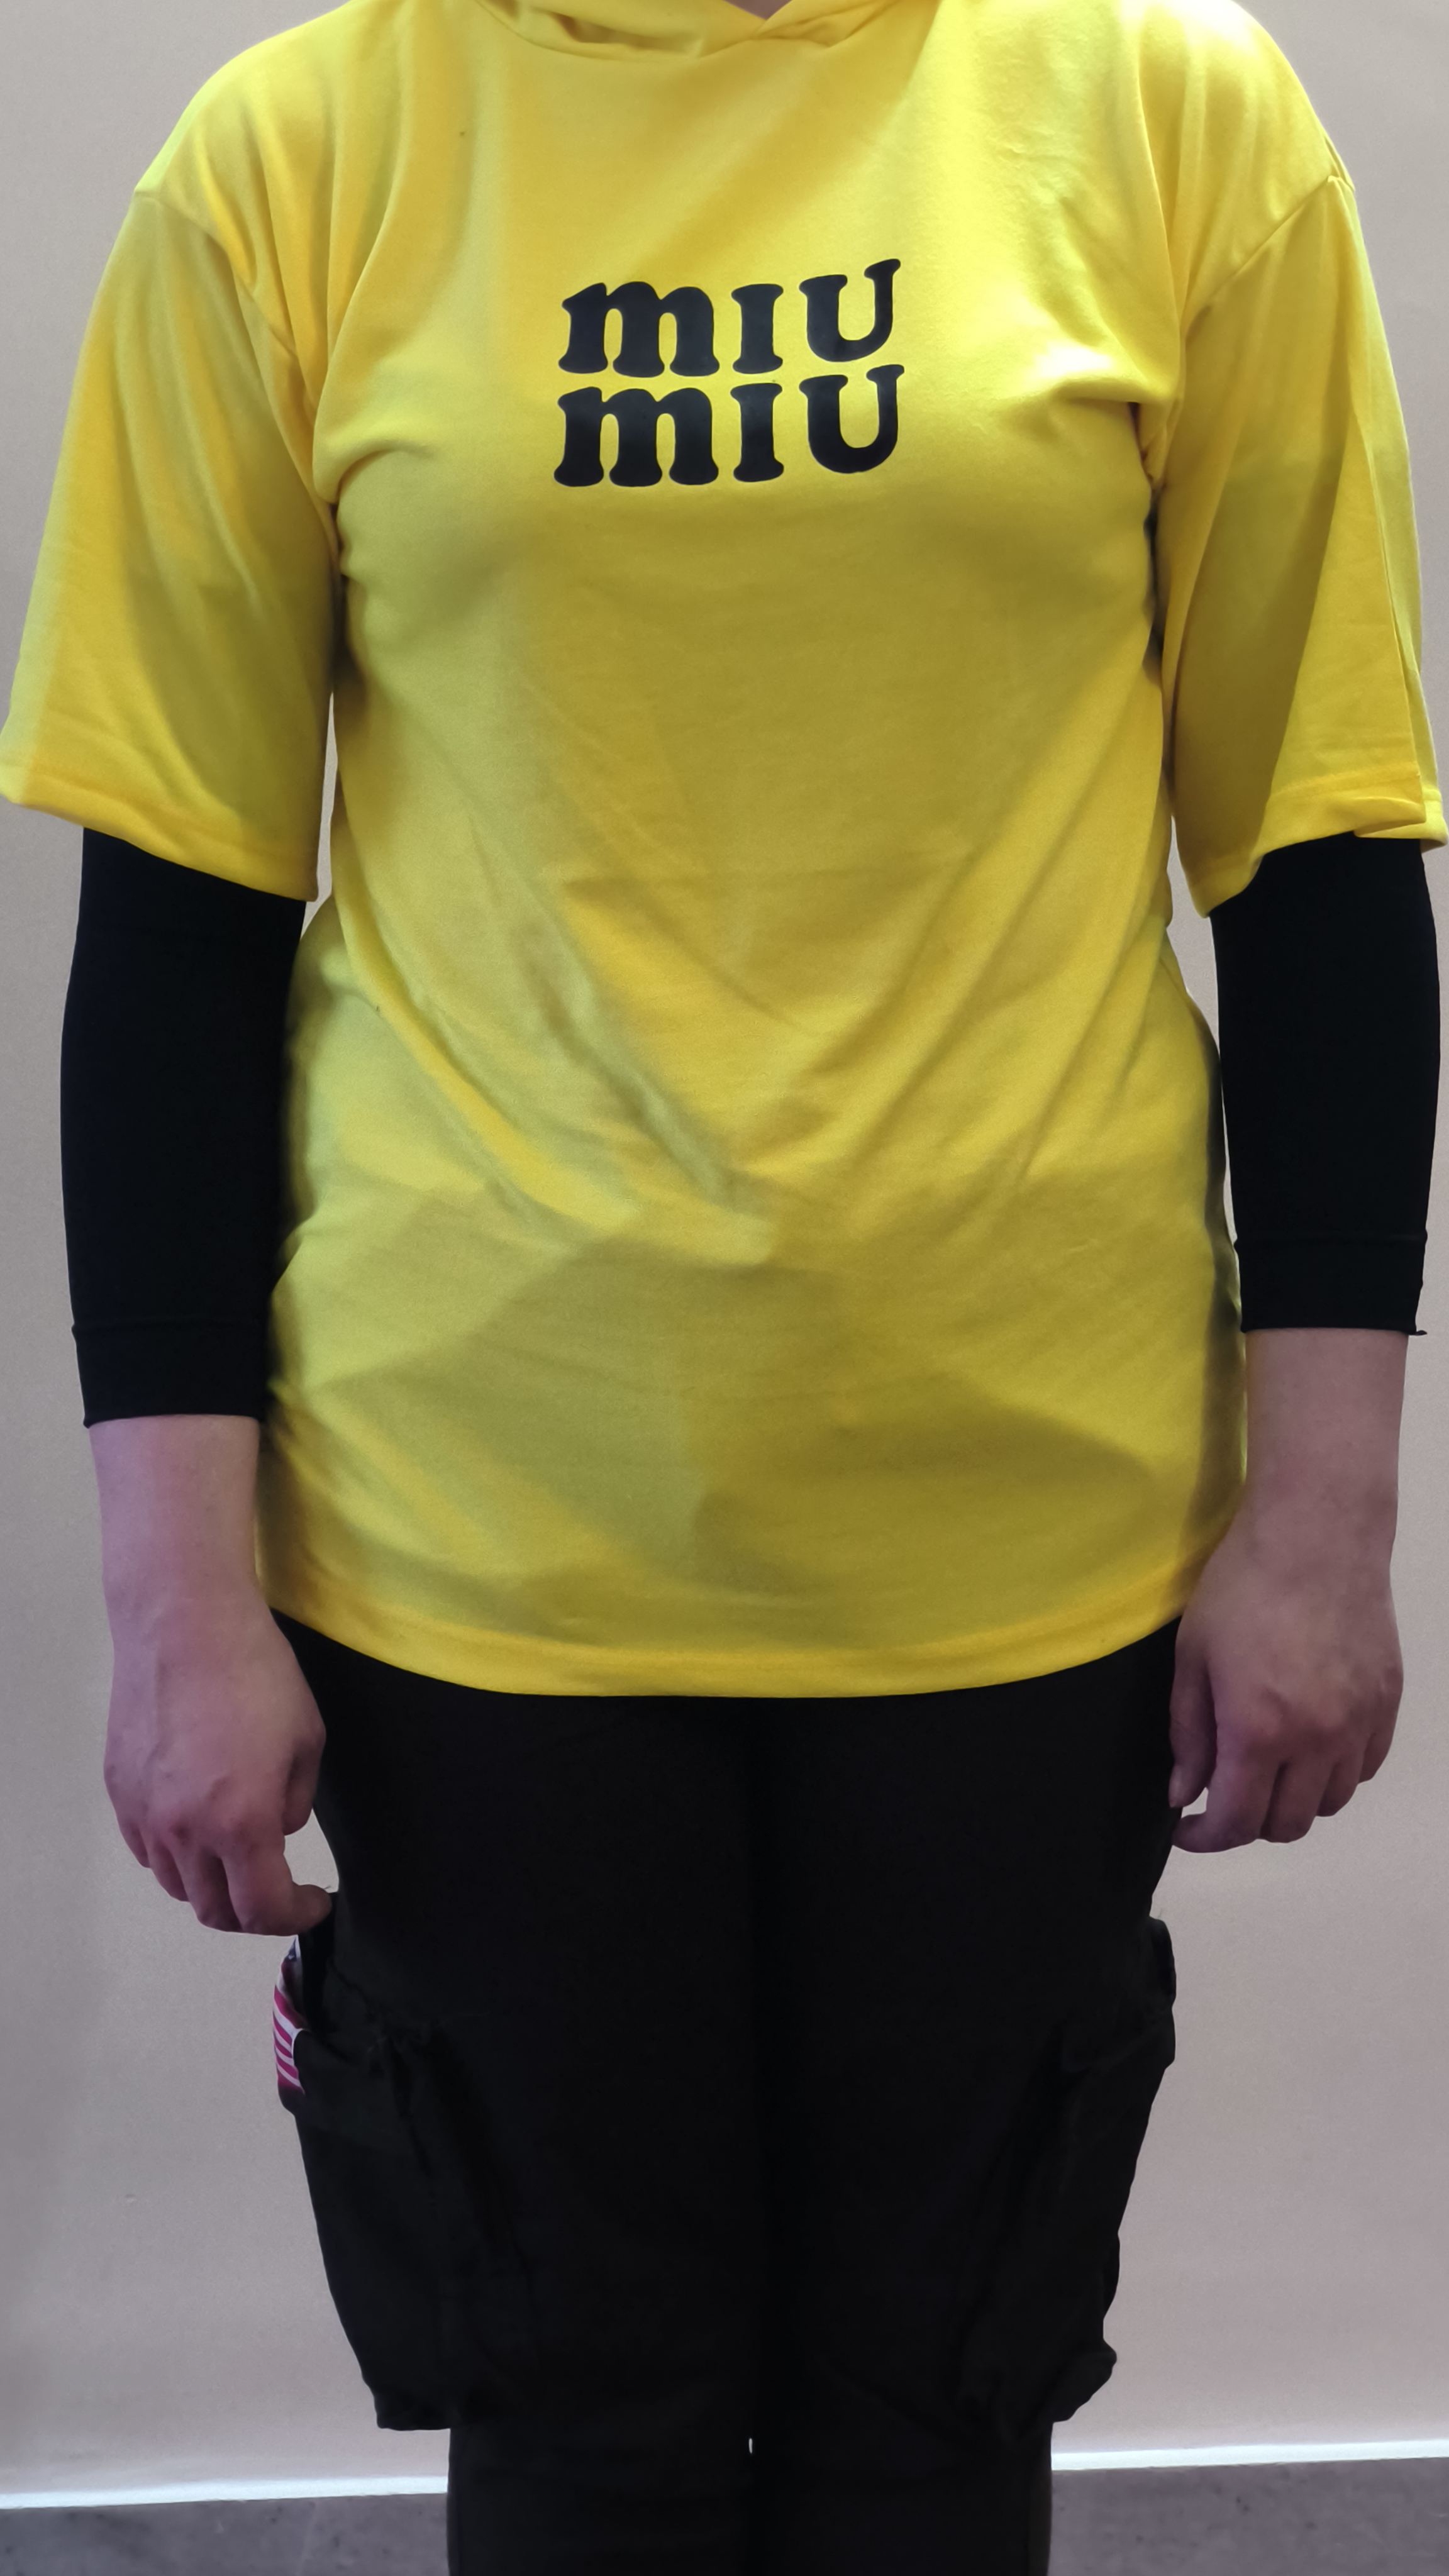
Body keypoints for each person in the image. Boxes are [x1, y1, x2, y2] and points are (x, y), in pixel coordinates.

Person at [1, 0, 1443, 2563]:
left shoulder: (1169, 112)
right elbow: (181, 929)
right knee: (579, 2423)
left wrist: (1327, 1524)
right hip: (476, 1535)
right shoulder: (296, 158)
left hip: (1026, 1527)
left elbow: (1320, 860)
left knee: (940, 2413)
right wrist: (172, 1599)